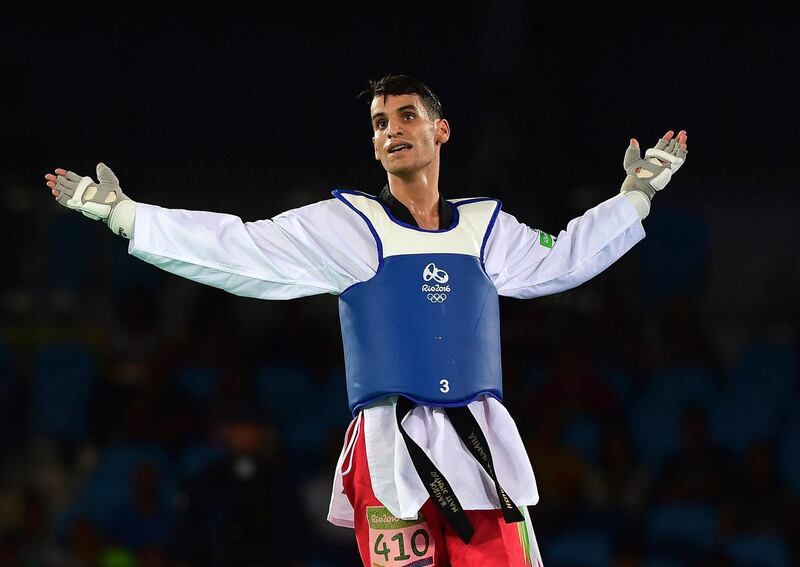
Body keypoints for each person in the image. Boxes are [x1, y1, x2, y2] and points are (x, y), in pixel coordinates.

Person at [44, 74, 688, 566]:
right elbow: (240, 245)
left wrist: (635, 196)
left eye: (408, 115)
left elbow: (566, 259)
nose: (392, 129)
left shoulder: (487, 227)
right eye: (380, 121)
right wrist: (128, 215)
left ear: (441, 131)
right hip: (387, 451)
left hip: (480, 446)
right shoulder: (350, 226)